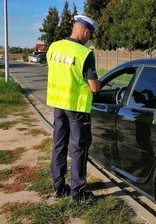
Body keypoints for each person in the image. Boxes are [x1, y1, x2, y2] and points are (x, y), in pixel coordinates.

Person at [46, 15, 101, 201]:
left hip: (58, 105)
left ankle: (58, 187)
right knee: (78, 147)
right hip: (76, 108)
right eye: (89, 35)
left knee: (59, 145)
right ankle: (77, 193)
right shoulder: (84, 53)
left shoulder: (54, 47)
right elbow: (94, 87)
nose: (88, 39)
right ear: (86, 32)